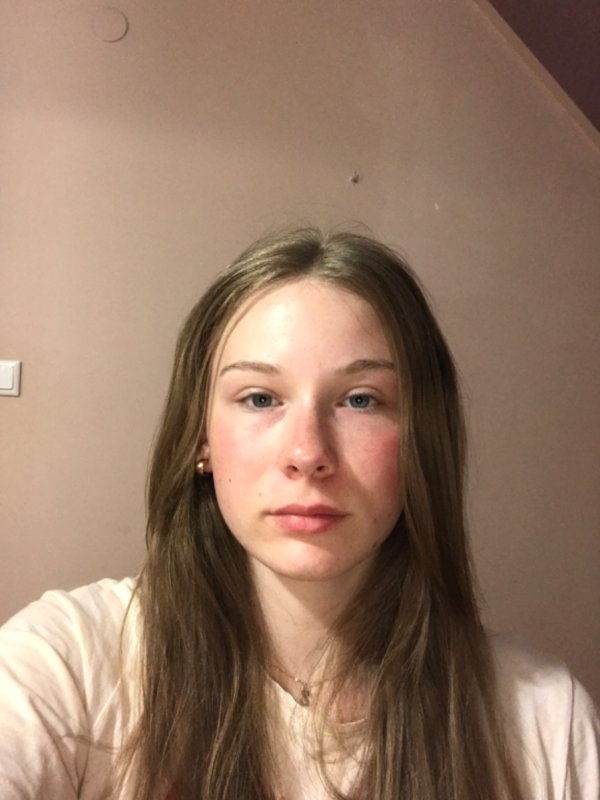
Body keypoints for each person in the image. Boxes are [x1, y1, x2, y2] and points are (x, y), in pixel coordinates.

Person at [0, 228, 598, 800]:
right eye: (260, 398)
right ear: (201, 438)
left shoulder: (544, 720)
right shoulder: (69, 665)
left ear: (422, 438)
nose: (308, 453)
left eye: (360, 400)